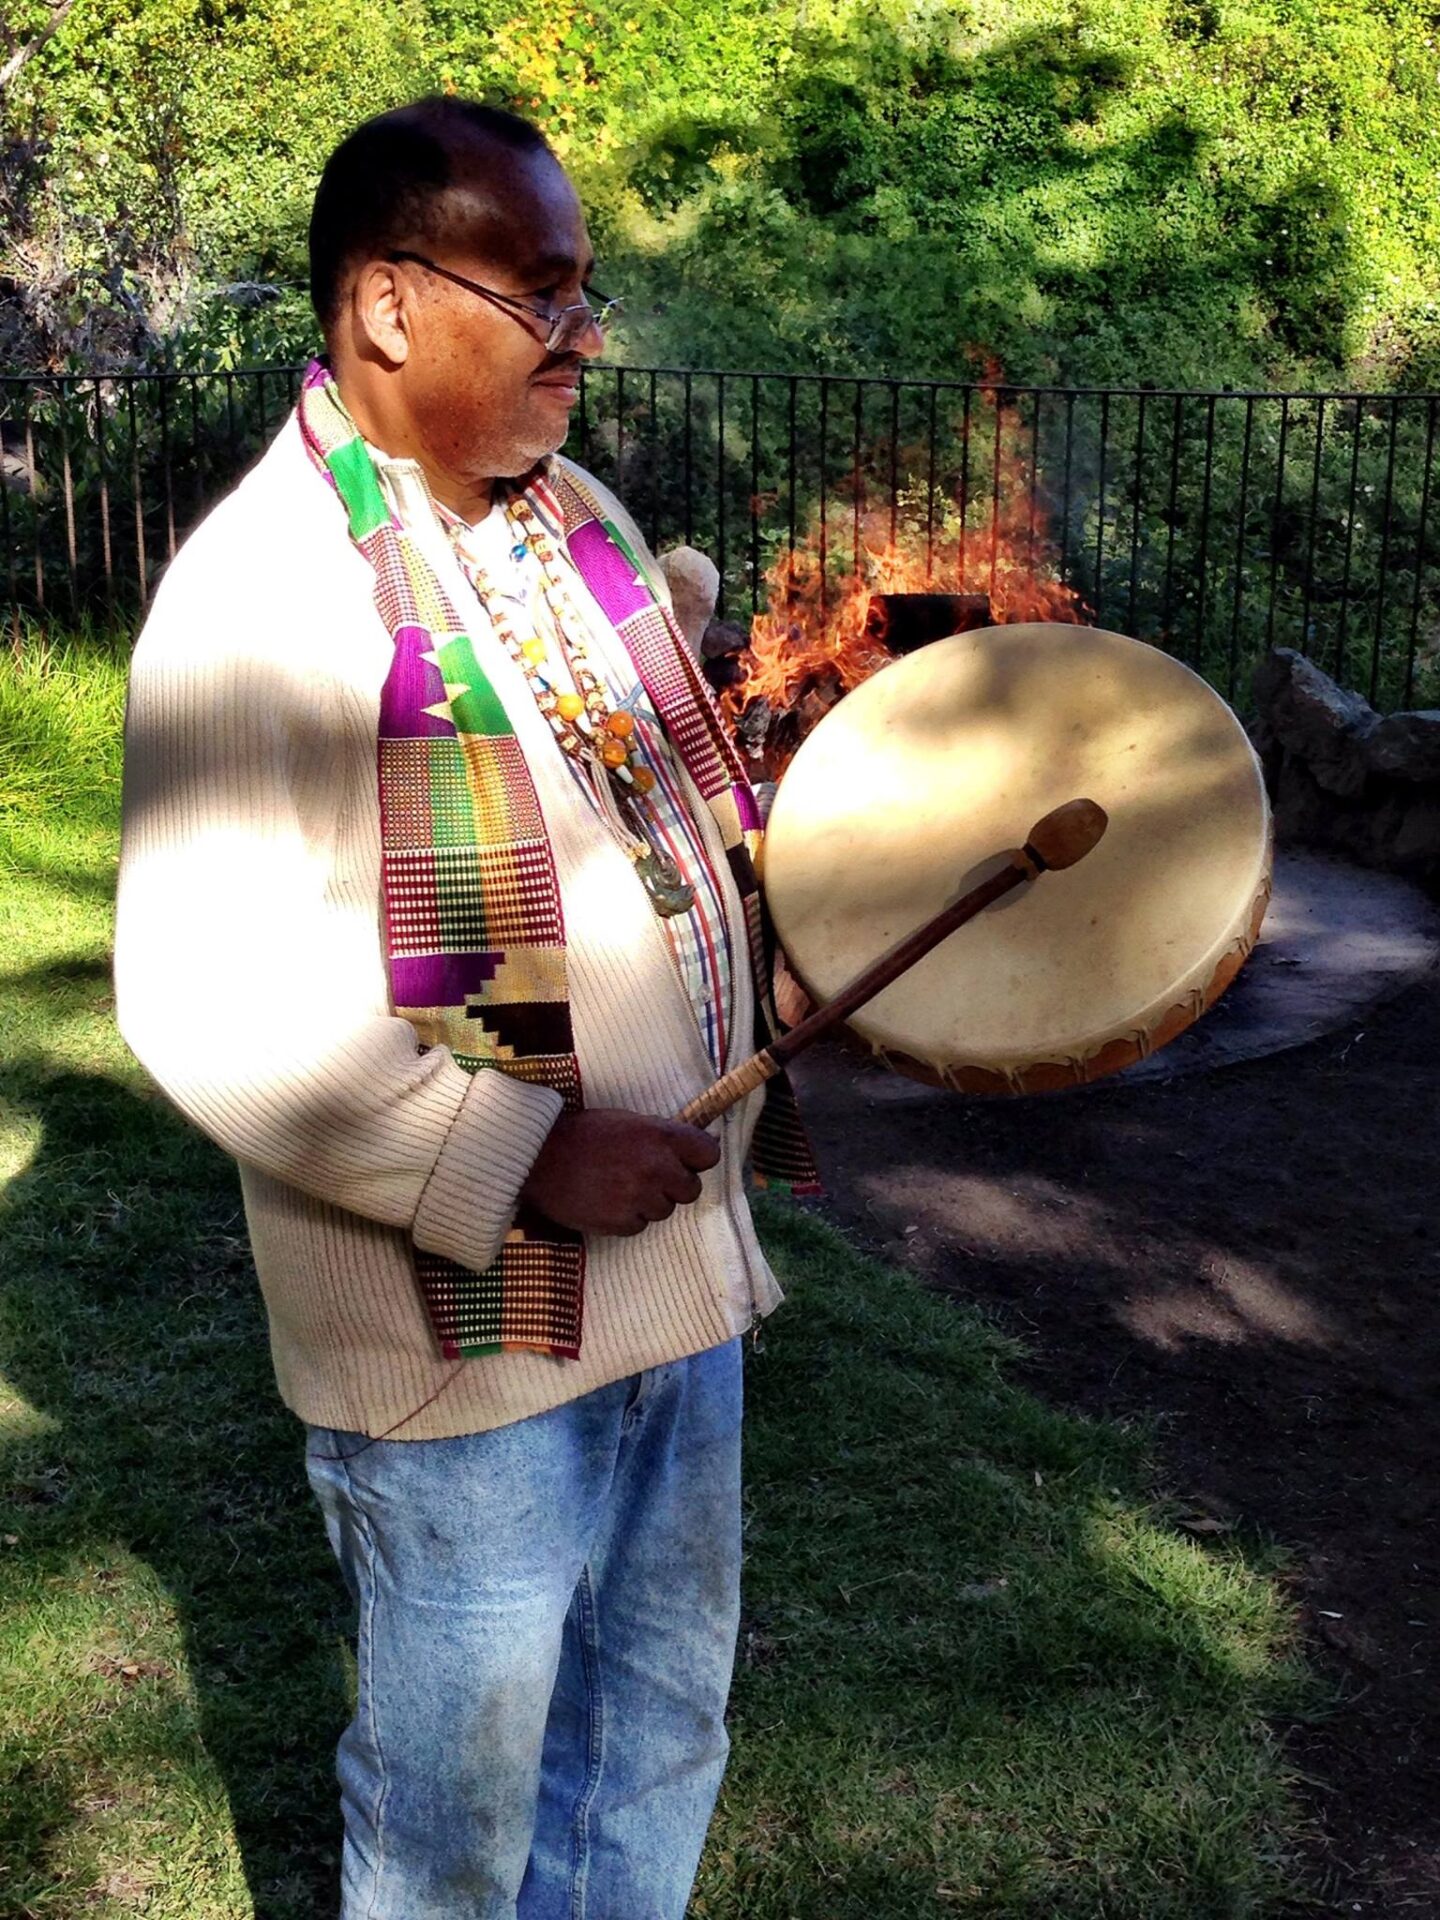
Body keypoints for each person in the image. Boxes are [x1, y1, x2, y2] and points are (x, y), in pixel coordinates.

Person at [114, 96, 815, 1920]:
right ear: (388, 305)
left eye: (587, 296)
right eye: (544, 296)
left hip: (675, 1286)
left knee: (652, 1741)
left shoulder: (568, 518)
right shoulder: (258, 602)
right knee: (458, 1829)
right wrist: (520, 1153)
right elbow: (204, 997)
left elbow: (638, 806)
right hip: (463, 1353)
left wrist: (776, 938)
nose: (584, 339)